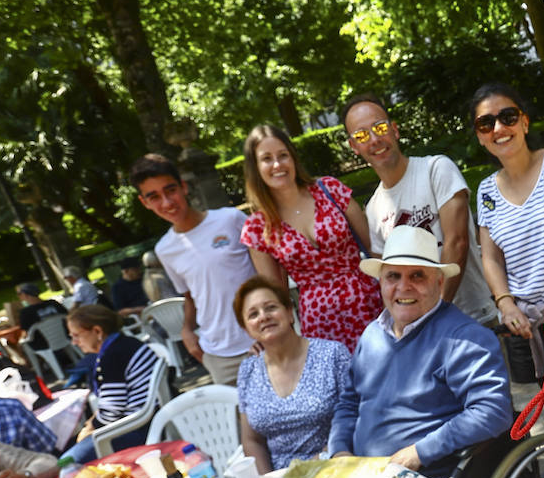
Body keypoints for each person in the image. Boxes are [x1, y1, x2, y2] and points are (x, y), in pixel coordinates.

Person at [330, 226, 511, 478]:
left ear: (439, 283)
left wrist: (418, 453)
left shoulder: (466, 337)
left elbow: (492, 410)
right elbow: (349, 403)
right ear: (381, 282)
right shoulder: (372, 334)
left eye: (417, 276)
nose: (404, 287)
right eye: (393, 276)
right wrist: (339, 450)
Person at [341, 93, 496, 326]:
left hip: (476, 318)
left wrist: (435, 314)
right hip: (423, 330)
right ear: (354, 146)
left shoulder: (436, 169)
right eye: (362, 135)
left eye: (380, 127)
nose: (374, 139)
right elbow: (390, 277)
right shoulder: (373, 209)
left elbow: (457, 242)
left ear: (395, 130)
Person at [238, 124, 382, 352]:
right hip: (321, 324)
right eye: (266, 158)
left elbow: (376, 250)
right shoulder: (258, 228)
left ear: (293, 158)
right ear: (255, 167)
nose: (277, 165)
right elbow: (277, 297)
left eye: (283, 155)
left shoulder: (329, 189)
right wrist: (267, 338)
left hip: (368, 303)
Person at [468, 82, 544, 369]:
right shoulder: (486, 191)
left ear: (525, 122)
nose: (499, 128)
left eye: (508, 117)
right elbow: (490, 257)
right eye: (485, 123)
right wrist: (505, 303)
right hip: (531, 324)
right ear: (480, 137)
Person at [133, 155, 257, 385]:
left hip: (263, 338)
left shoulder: (231, 220)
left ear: (184, 186)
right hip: (219, 355)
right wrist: (187, 329)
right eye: (154, 197)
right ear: (145, 203)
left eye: (171, 190)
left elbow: (269, 273)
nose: (167, 202)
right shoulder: (165, 249)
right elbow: (191, 296)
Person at [234, 276, 353, 472]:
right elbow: (252, 440)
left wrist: (326, 456)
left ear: (290, 312)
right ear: (246, 329)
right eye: (253, 314)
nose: (263, 316)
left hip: (334, 465)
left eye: (271, 307)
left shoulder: (332, 355)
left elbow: (356, 415)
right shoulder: (248, 371)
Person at [60, 305, 160, 463]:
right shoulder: (125, 343)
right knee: (71, 446)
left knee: (67, 461)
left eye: (76, 335)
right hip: (148, 417)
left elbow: (110, 414)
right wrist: (90, 424)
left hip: (139, 427)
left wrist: (90, 428)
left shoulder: (112, 357)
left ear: (97, 332)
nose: (74, 342)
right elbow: (112, 403)